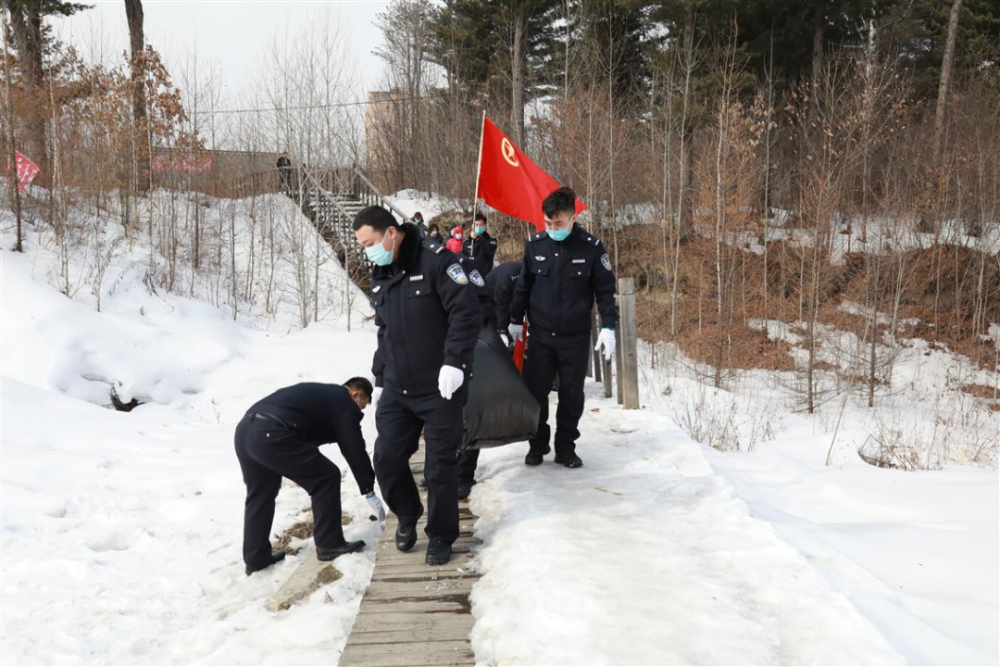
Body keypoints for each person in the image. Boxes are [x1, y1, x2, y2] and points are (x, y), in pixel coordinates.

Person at [353, 206, 480, 566]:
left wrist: (455, 362)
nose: (368, 251)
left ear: (391, 233)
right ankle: (407, 514)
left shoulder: (437, 262)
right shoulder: (381, 271)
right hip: (397, 387)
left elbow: (466, 313)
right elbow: (385, 330)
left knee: (441, 466)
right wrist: (379, 378)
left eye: (371, 243)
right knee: (387, 458)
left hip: (440, 386)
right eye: (362, 246)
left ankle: (441, 535)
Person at [509, 187, 616, 469]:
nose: (553, 228)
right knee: (536, 392)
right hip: (541, 335)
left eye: (559, 223)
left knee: (571, 395)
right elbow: (523, 286)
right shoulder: (535, 245)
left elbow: (605, 291)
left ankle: (565, 447)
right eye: (548, 223)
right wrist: (514, 319)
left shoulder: (591, 247)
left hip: (575, 337)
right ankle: (538, 442)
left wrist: (609, 327)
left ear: (572, 218)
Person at [235, 378, 385, 576]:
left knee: (261, 494)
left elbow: (302, 424)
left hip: (246, 431)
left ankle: (256, 558)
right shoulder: (344, 402)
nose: (360, 412)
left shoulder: (322, 395)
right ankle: (330, 544)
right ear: (356, 394)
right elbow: (353, 447)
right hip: (272, 432)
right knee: (327, 477)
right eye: (362, 406)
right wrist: (368, 488)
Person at [461, 212, 498, 277]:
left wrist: (478, 238)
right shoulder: (466, 243)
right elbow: (462, 258)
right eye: (476, 225)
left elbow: (489, 250)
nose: (478, 227)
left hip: (485, 276)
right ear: (472, 226)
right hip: (470, 275)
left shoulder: (491, 241)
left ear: (485, 226)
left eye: (481, 225)